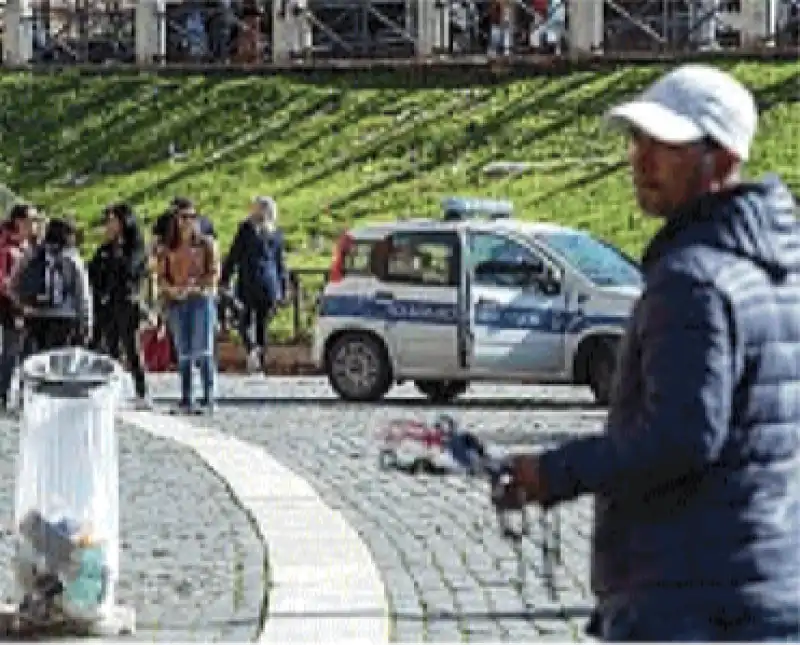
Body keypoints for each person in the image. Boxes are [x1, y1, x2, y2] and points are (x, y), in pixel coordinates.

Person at [493, 64, 800, 641]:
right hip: (765, 586)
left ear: (723, 160)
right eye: (639, 141)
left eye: (666, 145)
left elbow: (680, 437)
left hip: (689, 600)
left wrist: (551, 473)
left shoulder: (693, 280)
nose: (641, 159)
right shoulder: (780, 264)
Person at [156, 204, 219, 414]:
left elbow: (214, 272)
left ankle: (209, 397)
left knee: (203, 349)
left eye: (191, 217)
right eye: (182, 217)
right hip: (178, 301)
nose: (187, 222)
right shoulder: (168, 248)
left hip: (200, 299)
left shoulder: (206, 245)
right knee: (183, 351)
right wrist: (172, 291)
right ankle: (186, 397)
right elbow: (162, 277)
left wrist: (198, 286)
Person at [88, 203, 150, 408]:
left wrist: (116, 254)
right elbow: (94, 272)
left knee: (131, 346)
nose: (109, 225)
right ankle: (113, 390)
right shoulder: (105, 248)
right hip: (107, 304)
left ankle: (142, 390)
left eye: (113, 221)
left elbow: (131, 270)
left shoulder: (136, 247)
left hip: (127, 300)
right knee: (110, 346)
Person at [220, 196, 286, 373]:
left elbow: (234, 254)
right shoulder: (276, 232)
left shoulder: (246, 229)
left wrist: (224, 278)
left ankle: (253, 351)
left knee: (244, 320)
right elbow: (280, 263)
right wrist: (283, 288)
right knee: (259, 323)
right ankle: (259, 361)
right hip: (269, 283)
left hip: (250, 281)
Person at [10, 218, 92, 353]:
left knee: (36, 363)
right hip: (64, 319)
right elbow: (82, 294)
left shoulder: (32, 254)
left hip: (35, 317)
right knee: (58, 364)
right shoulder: (72, 258)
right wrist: (86, 324)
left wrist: (22, 306)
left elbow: (13, 283)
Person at [0, 204, 36, 411]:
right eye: (32, 220)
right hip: (11, 307)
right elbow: (4, 281)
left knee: (27, 352)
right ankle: (2, 394)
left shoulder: (27, 246)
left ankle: (24, 396)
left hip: (26, 306)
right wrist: (19, 304)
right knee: (11, 351)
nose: (35, 225)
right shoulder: (7, 247)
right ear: (19, 222)